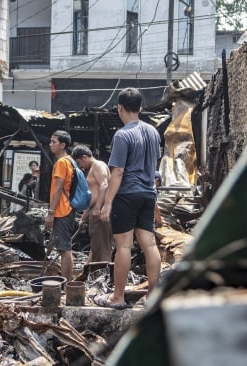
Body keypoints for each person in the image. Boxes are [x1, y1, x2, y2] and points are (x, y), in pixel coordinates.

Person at [97, 87, 162, 308]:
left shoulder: (122, 134)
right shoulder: (153, 132)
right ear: (141, 108)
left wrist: (107, 203)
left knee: (124, 246)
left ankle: (118, 297)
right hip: (148, 194)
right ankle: (152, 297)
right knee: (150, 245)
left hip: (127, 195)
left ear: (120, 108)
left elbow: (118, 172)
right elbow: (154, 167)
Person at [71, 145, 113, 263]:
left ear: (84, 158)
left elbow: (104, 185)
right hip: (94, 210)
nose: (81, 168)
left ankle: (100, 275)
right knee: (96, 247)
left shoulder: (98, 165)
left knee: (101, 248)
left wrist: (98, 207)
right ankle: (88, 273)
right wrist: (83, 218)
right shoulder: (93, 168)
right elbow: (91, 197)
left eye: (79, 163)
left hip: (99, 211)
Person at [44, 130, 76, 281]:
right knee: (66, 248)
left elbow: (58, 187)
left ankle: (66, 284)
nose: (51, 145)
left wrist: (51, 212)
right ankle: (68, 282)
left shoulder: (62, 162)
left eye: (54, 142)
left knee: (64, 250)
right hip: (67, 208)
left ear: (63, 145)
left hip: (62, 210)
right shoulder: (69, 161)